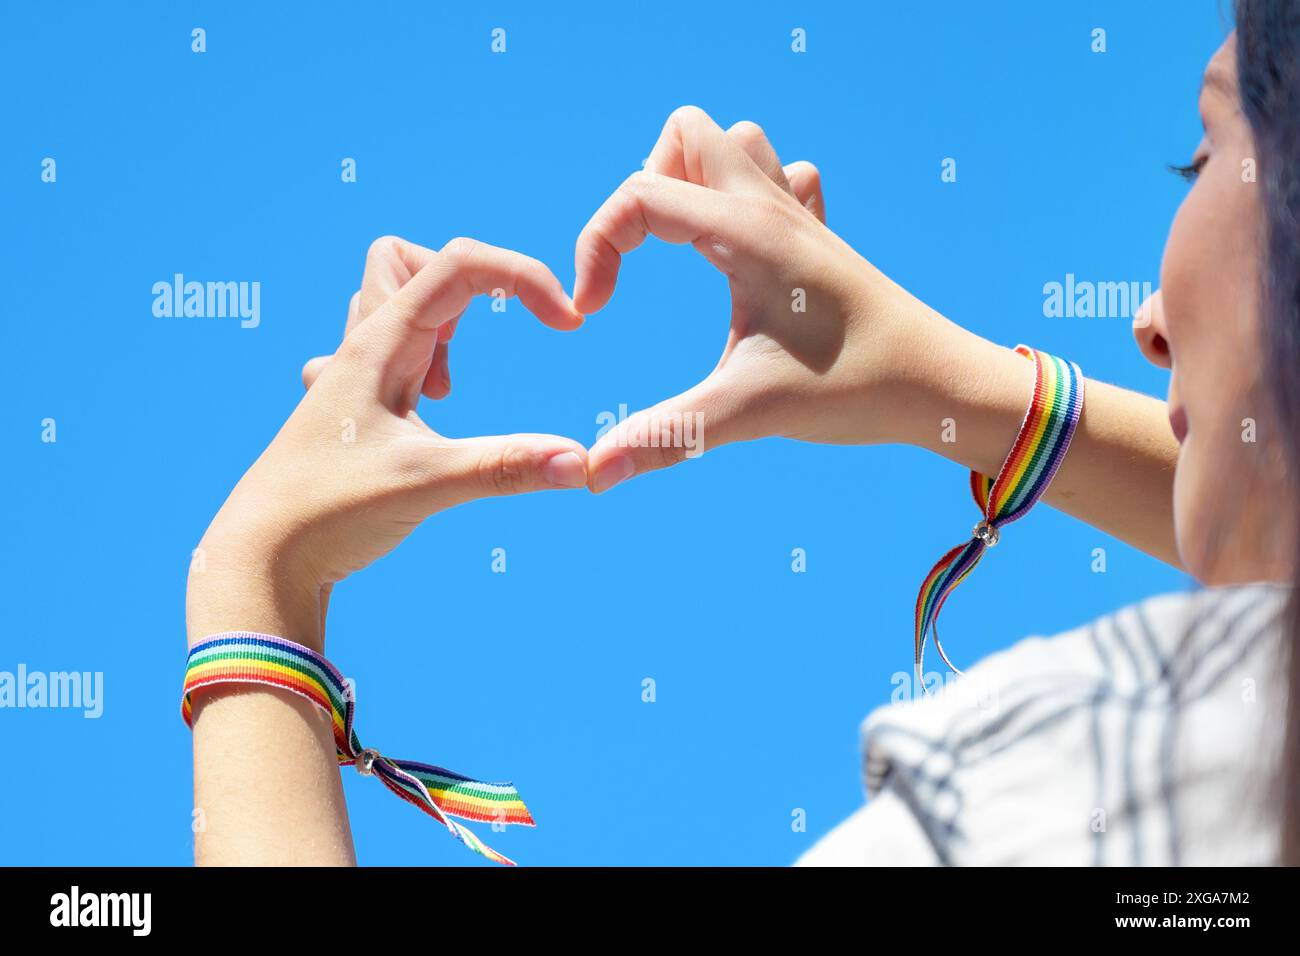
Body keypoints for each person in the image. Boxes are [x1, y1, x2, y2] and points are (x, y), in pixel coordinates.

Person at [186, 0, 1299, 864]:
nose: (1146, 327)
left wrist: (256, 585)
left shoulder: (1073, 777)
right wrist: (950, 387)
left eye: (1202, 157)